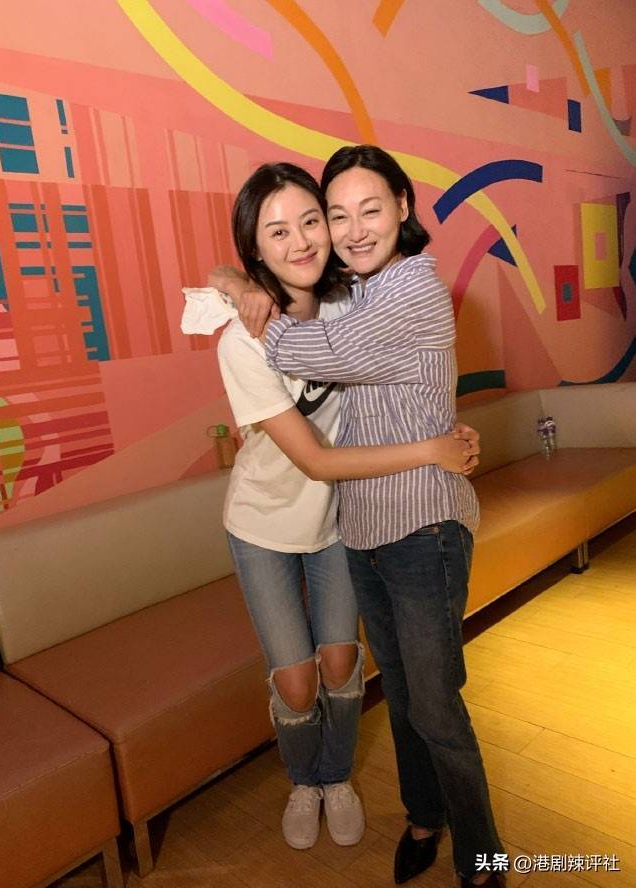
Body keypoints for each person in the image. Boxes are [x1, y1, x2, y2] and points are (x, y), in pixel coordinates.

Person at [209, 161, 481, 855]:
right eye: (279, 231)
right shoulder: (241, 337)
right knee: (298, 682)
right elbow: (317, 458)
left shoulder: (352, 301)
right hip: (271, 519)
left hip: (345, 519)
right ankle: (308, 782)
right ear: (256, 245)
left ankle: (344, 783)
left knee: (347, 669)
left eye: (312, 221)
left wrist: (441, 434)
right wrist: (236, 285)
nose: (304, 240)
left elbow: (385, 365)